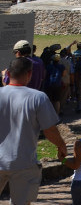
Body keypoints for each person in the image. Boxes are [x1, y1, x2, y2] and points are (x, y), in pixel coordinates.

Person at [0, 57, 68, 204]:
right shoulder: (38, 97)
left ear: (8, 73)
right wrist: (61, 145)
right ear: (29, 74)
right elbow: (50, 130)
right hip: (24, 162)